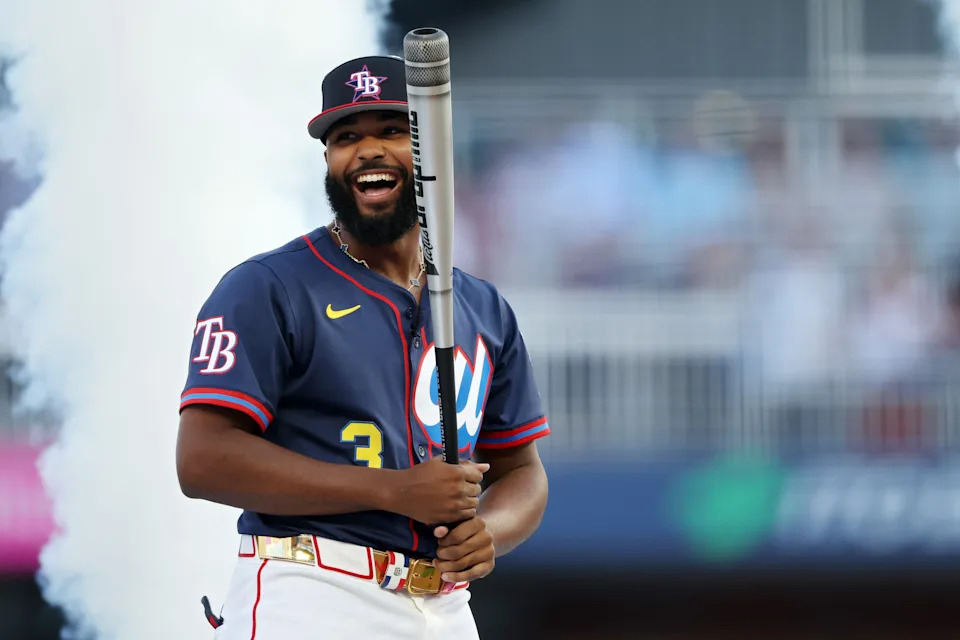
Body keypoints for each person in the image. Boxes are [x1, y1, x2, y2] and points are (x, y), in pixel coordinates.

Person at [175, 54, 551, 640]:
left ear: (431, 152)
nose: (368, 149)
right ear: (329, 161)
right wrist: (394, 491)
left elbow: (523, 471)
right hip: (312, 589)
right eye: (346, 136)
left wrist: (491, 532)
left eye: (394, 130)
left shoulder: (483, 306)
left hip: (446, 606)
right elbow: (202, 461)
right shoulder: (266, 286)